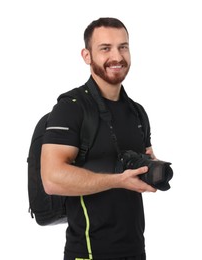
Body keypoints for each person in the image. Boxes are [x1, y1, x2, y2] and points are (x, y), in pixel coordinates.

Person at [41, 17, 157, 260]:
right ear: (86, 55)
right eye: (105, 48)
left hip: (136, 250)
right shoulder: (71, 108)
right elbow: (51, 179)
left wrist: (151, 169)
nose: (117, 56)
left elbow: (141, 162)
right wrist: (118, 180)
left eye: (123, 47)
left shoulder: (137, 111)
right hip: (89, 253)